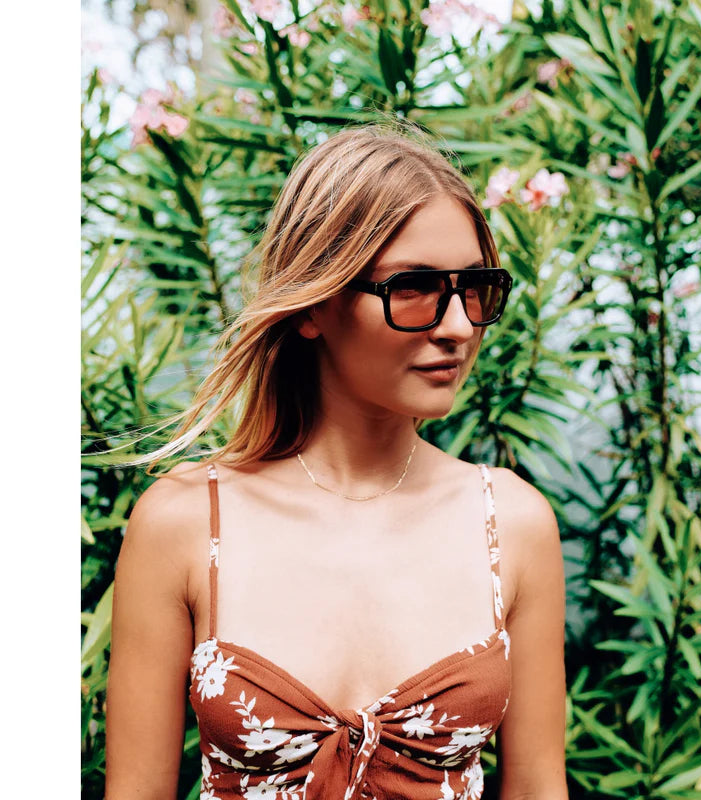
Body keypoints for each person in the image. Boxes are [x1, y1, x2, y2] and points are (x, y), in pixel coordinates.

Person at [105, 123, 568, 800]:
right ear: (313, 306)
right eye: (414, 287)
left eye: (474, 287)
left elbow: (538, 789)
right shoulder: (185, 524)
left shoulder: (511, 524)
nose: (459, 326)